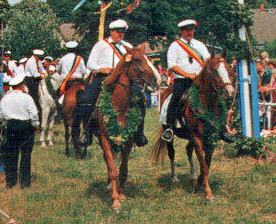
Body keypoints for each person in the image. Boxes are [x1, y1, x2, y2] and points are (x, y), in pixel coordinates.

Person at [79, 19, 148, 147]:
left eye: (122, 32)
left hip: (124, 80)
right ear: (111, 32)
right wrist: (100, 69)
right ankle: (87, 131)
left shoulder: (127, 46)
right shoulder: (101, 45)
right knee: (87, 98)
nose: (120, 34)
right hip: (104, 78)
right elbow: (90, 63)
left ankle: (140, 133)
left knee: (140, 97)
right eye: (117, 32)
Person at [161, 19, 230, 142]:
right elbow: (172, 66)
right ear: (181, 31)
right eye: (187, 30)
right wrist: (187, 74)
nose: (190, 32)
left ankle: (222, 128)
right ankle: (170, 128)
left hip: (200, 81)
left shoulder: (200, 45)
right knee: (176, 98)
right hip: (182, 81)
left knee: (217, 98)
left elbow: (208, 61)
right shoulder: (175, 46)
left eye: (191, 30)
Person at [0, 74, 39, 189]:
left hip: (11, 126)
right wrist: (35, 125)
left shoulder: (5, 98)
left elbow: (1, 115)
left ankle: (10, 182)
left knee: (11, 154)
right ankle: (24, 183)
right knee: (26, 155)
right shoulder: (27, 98)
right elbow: (34, 114)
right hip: (25, 127)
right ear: (22, 85)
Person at [24, 49, 45, 122]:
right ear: (35, 56)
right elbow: (35, 74)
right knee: (34, 97)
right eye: (38, 57)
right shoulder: (31, 61)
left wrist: (45, 74)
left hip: (37, 78)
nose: (39, 58)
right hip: (30, 80)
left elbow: (42, 69)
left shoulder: (38, 61)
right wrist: (43, 76)